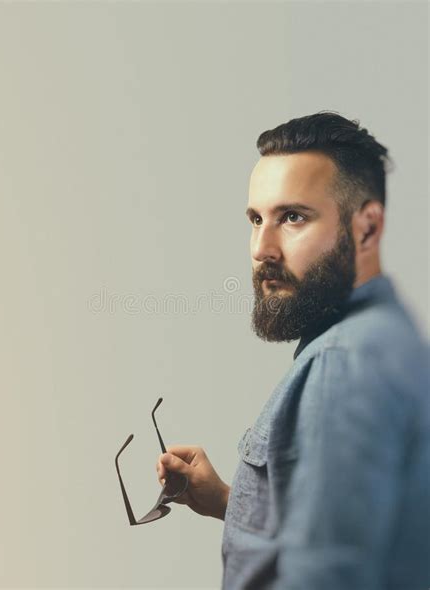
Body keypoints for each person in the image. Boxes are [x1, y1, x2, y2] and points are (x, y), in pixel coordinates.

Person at [156, 112, 430, 590]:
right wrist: (228, 499)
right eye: (256, 219)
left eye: (293, 217)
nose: (263, 248)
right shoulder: (377, 338)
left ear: (366, 229)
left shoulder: (344, 362)